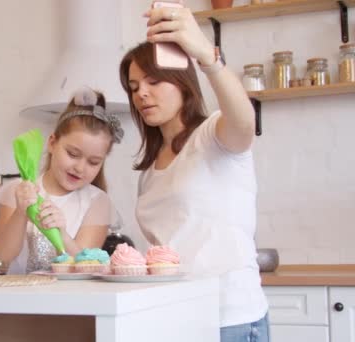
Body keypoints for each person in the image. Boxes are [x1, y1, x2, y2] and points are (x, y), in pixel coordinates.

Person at [118, 5, 269, 342]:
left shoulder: (214, 134)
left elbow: (246, 122)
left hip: (229, 319)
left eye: (154, 80)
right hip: (177, 318)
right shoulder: (150, 170)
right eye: (133, 86)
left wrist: (206, 56)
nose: (141, 93)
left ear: (183, 84)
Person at [0, 87, 123, 274]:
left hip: (69, 300)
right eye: (72, 154)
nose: (80, 167)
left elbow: (85, 268)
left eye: (93, 162)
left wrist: (62, 234)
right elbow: (3, 256)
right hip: (18, 297)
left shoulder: (97, 202)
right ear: (52, 143)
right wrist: (21, 212)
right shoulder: (18, 190)